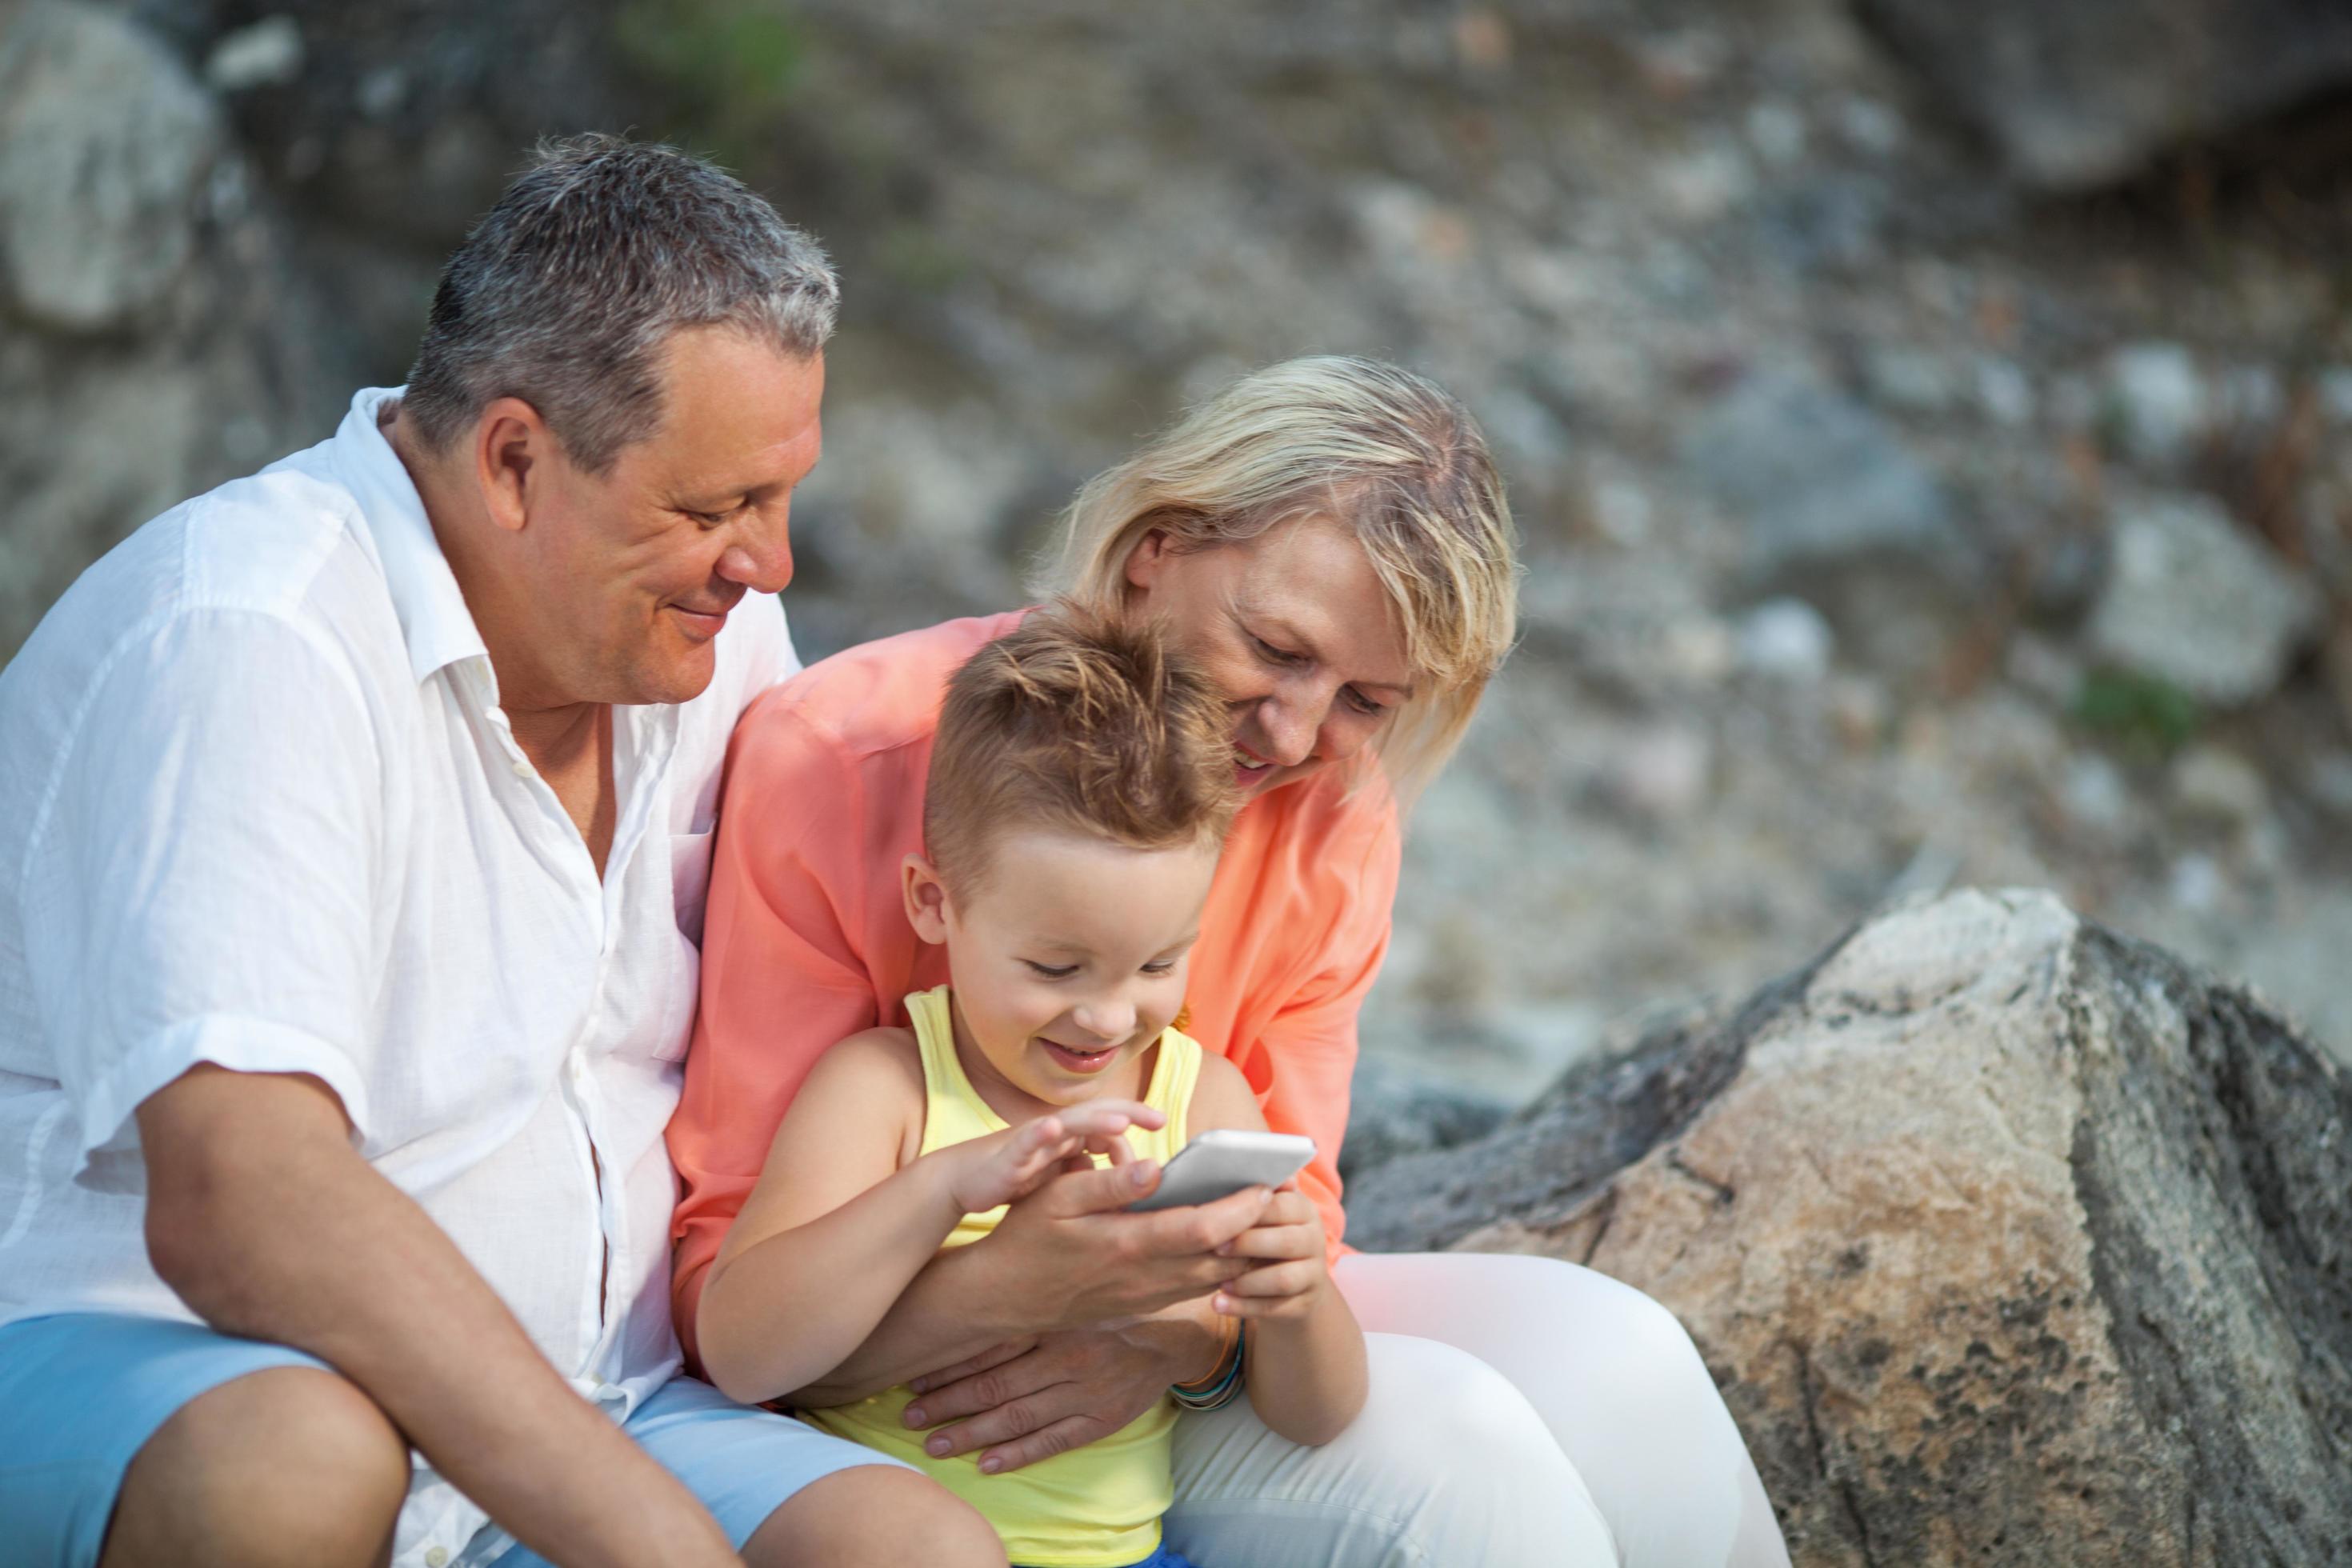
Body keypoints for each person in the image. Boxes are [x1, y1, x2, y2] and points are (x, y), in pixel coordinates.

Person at [0, 137, 1005, 1568]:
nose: (768, 565)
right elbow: (241, 1197)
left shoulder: (705, 636)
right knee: (290, 1469)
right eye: (713, 509)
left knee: (913, 1554)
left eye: (782, 501)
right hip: (154, 1367)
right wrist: (656, 1546)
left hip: (607, 1403)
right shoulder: (246, 634)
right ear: (516, 459)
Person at [670, 355, 1792, 1566]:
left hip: (1157, 1380)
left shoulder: (1338, 819)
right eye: (1278, 647)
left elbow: (1292, 1217)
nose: (1301, 736)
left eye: (1370, 700)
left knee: (1626, 1356)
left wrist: (1183, 1341)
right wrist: (1019, 1293)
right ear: (1158, 544)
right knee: (1473, 1459)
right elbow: (722, 1299)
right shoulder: (840, 754)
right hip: (872, 1410)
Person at [698, 612, 1370, 1568]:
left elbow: (1318, 1418)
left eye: (1157, 964)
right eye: (1057, 968)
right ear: (935, 904)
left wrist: (1298, 1299)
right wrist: (938, 1190)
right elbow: (743, 1351)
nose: (1105, 1017)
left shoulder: (1202, 1097)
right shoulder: (887, 1087)